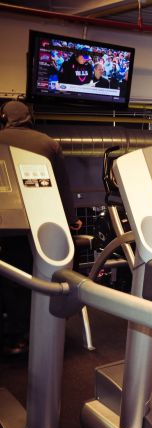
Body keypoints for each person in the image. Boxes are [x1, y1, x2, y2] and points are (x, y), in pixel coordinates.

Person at [0, 101, 79, 356]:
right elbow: (62, 185)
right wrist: (71, 218)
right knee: (38, 277)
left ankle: (15, 336)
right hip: (42, 222)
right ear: (28, 117)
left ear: (4, 117)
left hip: (7, 225)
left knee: (11, 279)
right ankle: (40, 332)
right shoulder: (48, 143)